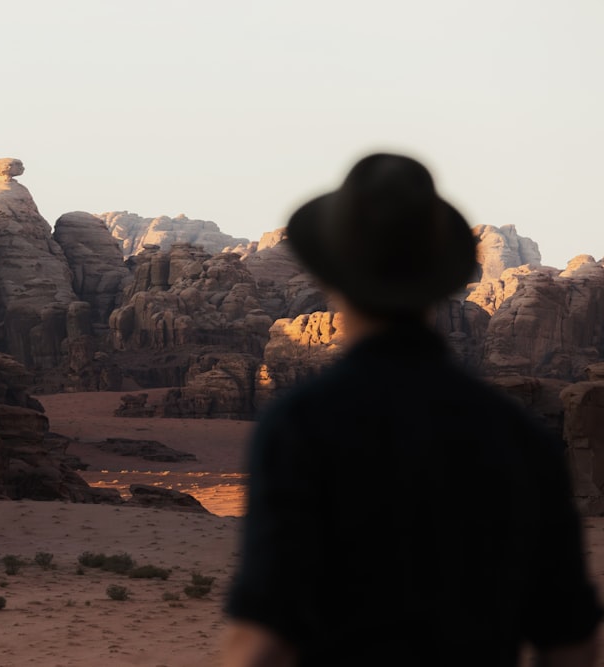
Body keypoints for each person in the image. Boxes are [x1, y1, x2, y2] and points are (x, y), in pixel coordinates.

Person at [223, 153, 602, 666]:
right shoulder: (518, 434)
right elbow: (570, 644)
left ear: (330, 277)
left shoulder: (301, 425)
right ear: (444, 283)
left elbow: (263, 642)